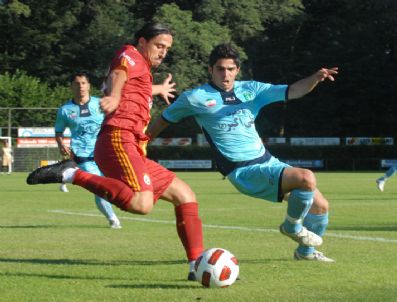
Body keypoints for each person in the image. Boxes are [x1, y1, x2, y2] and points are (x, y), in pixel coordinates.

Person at [27, 22, 204, 280]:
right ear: (142, 42)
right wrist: (116, 96)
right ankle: (72, 174)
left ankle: (196, 265)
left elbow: (136, 85)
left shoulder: (143, 70)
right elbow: (118, 75)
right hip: (118, 139)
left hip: (131, 145)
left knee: (185, 195)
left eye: (167, 48)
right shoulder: (130, 54)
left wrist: (159, 90)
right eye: (159, 45)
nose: (163, 52)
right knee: (142, 204)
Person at [147, 43, 338, 262]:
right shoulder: (195, 97)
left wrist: (315, 78)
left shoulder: (251, 90)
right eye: (220, 69)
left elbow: (293, 90)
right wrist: (140, 143)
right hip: (242, 171)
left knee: (320, 206)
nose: (225, 74)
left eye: (230, 69)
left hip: (268, 162)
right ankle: (291, 226)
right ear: (210, 70)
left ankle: (305, 253)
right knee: (306, 178)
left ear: (237, 70)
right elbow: (163, 120)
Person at [54, 72, 122, 228]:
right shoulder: (65, 110)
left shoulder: (100, 104)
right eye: (77, 84)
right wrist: (60, 144)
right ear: (71, 86)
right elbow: (58, 131)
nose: (81, 87)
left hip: (106, 152)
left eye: (83, 83)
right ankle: (113, 219)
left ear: (89, 85)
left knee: (116, 183)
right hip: (84, 155)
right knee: (100, 187)